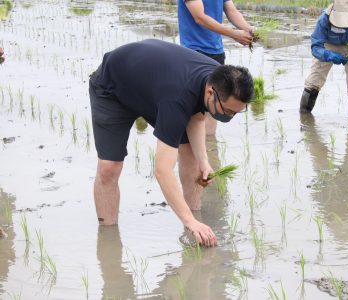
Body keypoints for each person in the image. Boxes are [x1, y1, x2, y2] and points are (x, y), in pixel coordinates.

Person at [89, 39, 253, 247]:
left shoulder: (218, 78)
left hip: (152, 86)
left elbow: (198, 117)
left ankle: (194, 227)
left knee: (192, 156)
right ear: (210, 92)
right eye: (228, 111)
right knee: (109, 168)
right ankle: (108, 240)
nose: (230, 116)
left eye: (236, 112)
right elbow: (163, 171)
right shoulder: (178, 96)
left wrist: (204, 161)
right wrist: (188, 220)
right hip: (112, 89)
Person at [178, 0, 253, 135]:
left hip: (216, 52)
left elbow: (231, 10)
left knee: (215, 104)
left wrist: (249, 29)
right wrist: (235, 34)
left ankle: (211, 149)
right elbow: (199, 17)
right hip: (193, 52)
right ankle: (188, 149)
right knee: (193, 109)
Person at [299, 0, 348, 116]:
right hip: (328, 45)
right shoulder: (325, 19)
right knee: (314, 79)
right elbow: (316, 46)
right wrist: (328, 55)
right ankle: (304, 116)